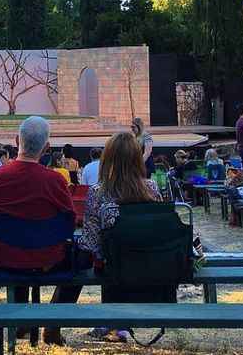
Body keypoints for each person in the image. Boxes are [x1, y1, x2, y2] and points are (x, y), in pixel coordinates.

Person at [0, 116, 81, 346]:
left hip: (6, 259)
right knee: (81, 262)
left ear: (16, 140)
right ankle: (53, 325)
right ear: (47, 148)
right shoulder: (55, 181)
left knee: (17, 245)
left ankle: (22, 322)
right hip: (48, 260)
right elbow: (70, 221)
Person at [78, 132, 164, 343]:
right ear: (137, 158)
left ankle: (114, 323)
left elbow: (91, 241)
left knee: (105, 256)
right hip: (148, 261)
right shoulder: (151, 188)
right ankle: (117, 325)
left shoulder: (98, 192)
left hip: (113, 265)